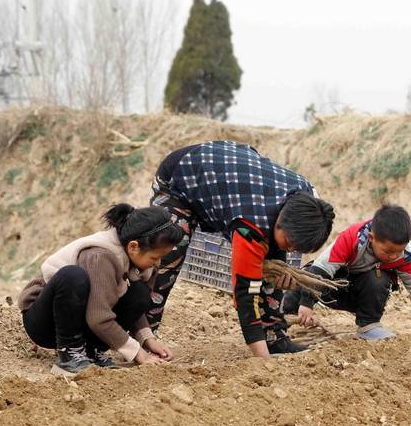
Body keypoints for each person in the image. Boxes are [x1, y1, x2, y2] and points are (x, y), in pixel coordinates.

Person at [148, 141, 335, 359]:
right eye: (290, 244)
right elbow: (245, 293)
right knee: (167, 258)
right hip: (181, 177)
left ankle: (274, 337)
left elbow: (275, 253)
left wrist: (278, 271)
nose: (291, 250)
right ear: (280, 221)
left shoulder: (308, 199)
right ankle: (142, 336)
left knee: (274, 267)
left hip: (235, 177)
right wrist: (262, 360)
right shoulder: (251, 223)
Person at [18, 204, 183, 376]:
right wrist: (138, 353)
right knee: (73, 276)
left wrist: (147, 339)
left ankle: (91, 351)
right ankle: (69, 355)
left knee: (139, 293)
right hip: (45, 322)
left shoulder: (140, 260)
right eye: (155, 257)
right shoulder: (100, 256)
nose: (158, 263)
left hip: (81, 317)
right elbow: (98, 317)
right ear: (133, 247)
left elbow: (132, 304)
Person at [283, 204, 411, 339]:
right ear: (372, 238)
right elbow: (321, 270)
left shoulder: (403, 255)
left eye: (399, 251)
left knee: (379, 278)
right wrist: (306, 304)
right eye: (388, 251)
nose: (394, 256)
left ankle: (368, 326)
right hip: (330, 287)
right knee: (303, 279)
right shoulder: (351, 238)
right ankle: (279, 322)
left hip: (362, 295)